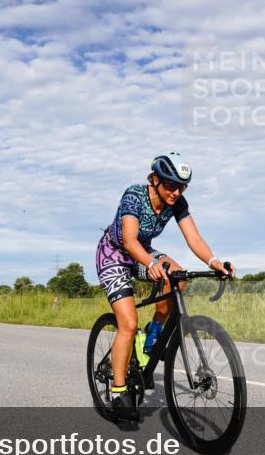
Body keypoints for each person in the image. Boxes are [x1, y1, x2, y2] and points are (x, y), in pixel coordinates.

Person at [96, 153, 234, 421]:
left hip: (143, 252)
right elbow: (128, 239)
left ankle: (154, 333)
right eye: (170, 185)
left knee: (179, 276)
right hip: (115, 254)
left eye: (181, 186)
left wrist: (214, 261)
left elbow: (193, 237)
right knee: (127, 323)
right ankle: (118, 391)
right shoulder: (134, 196)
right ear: (155, 180)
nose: (175, 191)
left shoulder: (177, 202)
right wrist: (150, 263)